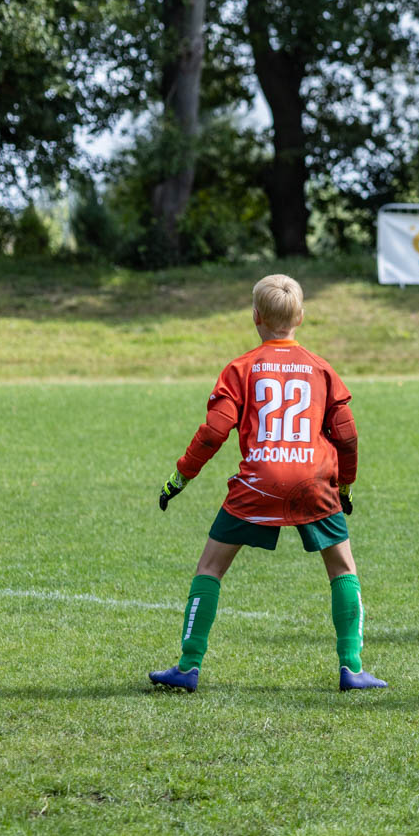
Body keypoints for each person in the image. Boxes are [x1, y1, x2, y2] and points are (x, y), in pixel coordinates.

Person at [149, 274, 385, 693]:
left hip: (258, 483)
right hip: (313, 482)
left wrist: (179, 478)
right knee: (342, 569)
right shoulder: (321, 369)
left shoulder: (241, 369)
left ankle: (188, 667)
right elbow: (347, 436)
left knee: (210, 568)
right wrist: (345, 486)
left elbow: (213, 433)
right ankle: (351, 668)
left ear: (255, 316)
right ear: (301, 317)